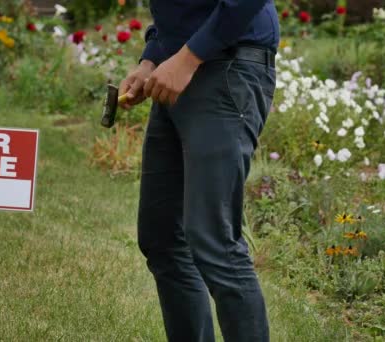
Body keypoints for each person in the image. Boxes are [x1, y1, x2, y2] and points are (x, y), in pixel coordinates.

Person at [118, 1, 279, 341]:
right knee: (161, 238)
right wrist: (151, 58)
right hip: (177, 70)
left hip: (225, 68)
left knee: (215, 240)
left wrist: (189, 58)